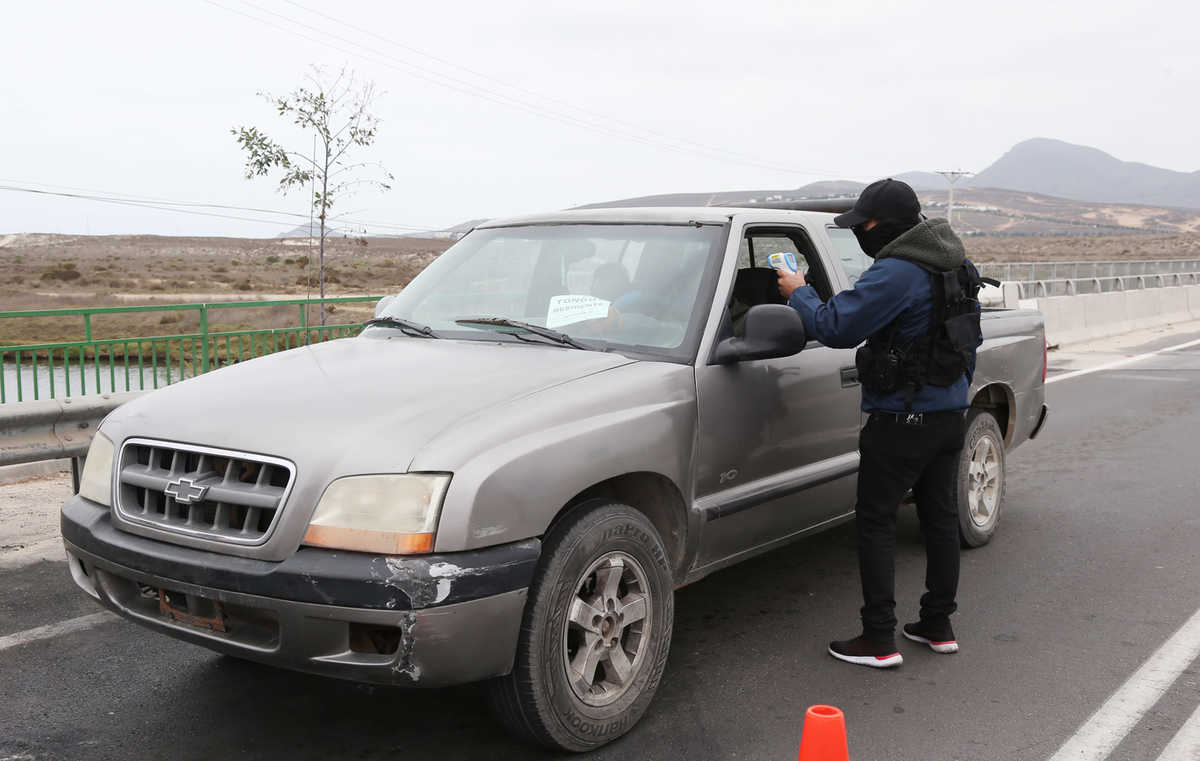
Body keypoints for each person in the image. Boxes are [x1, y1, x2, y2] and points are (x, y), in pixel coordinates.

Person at [776, 178, 981, 668]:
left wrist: (799, 292)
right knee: (940, 519)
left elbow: (836, 327)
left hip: (902, 418)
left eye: (862, 225)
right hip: (951, 410)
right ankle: (937, 624)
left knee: (875, 522)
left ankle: (878, 638)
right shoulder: (956, 261)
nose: (860, 235)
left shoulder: (897, 271)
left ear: (883, 225)